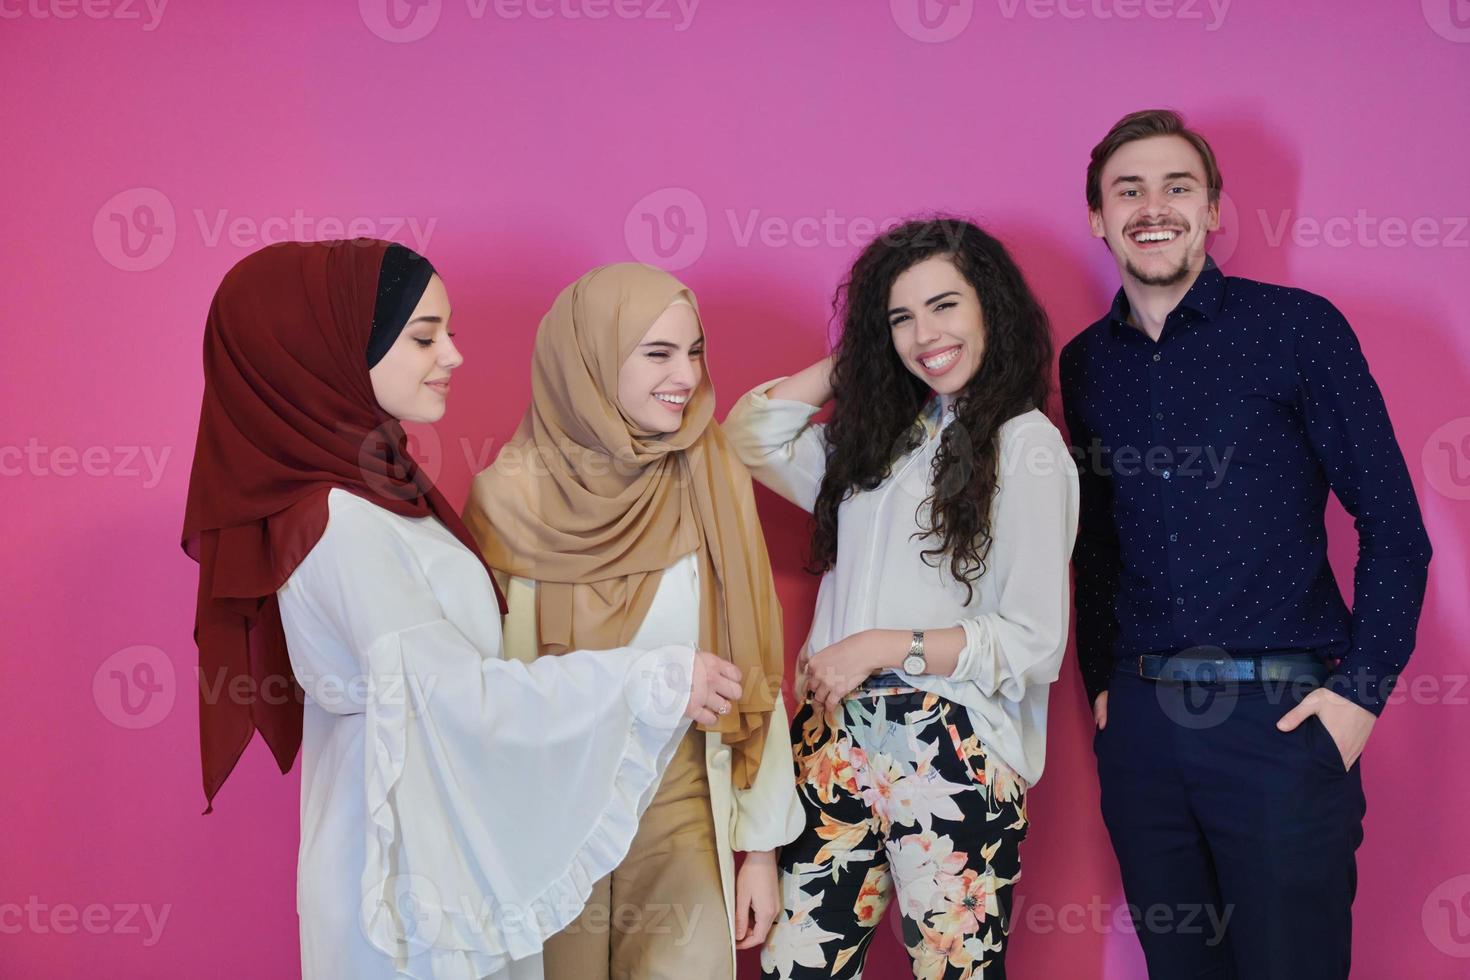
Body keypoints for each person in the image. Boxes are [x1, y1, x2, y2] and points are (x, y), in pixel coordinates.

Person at [180, 239, 743, 980]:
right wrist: (650, 679)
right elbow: (449, 695)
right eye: (423, 337)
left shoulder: (381, 494)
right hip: (407, 859)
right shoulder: (337, 521)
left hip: (444, 832)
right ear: (334, 348)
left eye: (448, 332)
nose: (453, 355)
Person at [1061, 109, 1433, 979]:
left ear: (1214, 208)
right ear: (1097, 217)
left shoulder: (1297, 329)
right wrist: (1104, 697)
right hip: (1145, 731)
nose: (1153, 206)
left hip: (1282, 722)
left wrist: (1358, 700)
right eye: (1129, 190)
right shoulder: (1085, 366)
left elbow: (1395, 530)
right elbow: (1098, 548)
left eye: (1177, 187)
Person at [725, 218, 1078, 978]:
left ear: (991, 307)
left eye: (945, 306)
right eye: (900, 317)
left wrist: (887, 645)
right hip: (833, 739)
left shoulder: (1026, 445)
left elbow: (1034, 640)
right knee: (795, 969)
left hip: (952, 743)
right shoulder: (878, 442)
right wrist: (859, 356)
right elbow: (750, 436)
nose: (925, 333)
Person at [461, 263, 803, 980]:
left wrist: (761, 851)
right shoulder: (505, 498)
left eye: (695, 350)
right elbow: (476, 697)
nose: (686, 375)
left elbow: (755, 660)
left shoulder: (710, 471)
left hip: (681, 801)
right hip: (545, 816)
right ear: (587, 359)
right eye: (657, 353)